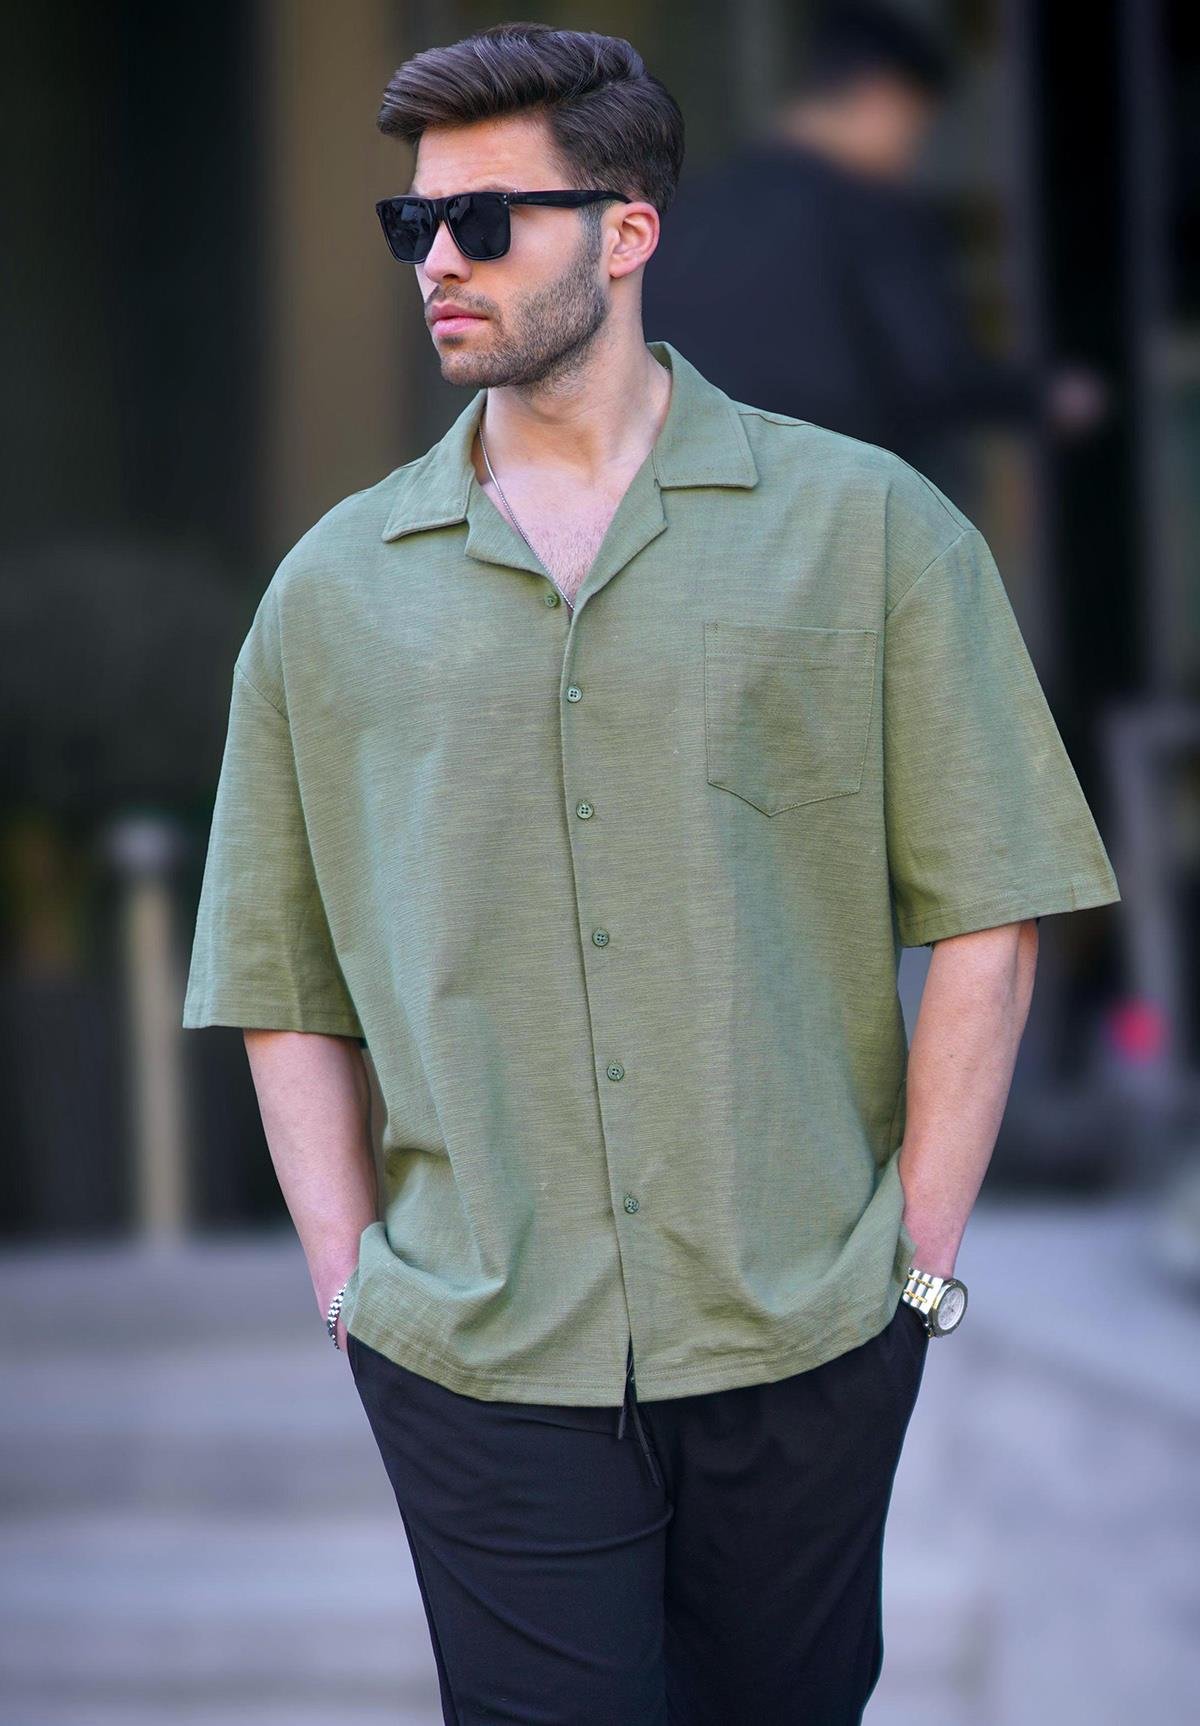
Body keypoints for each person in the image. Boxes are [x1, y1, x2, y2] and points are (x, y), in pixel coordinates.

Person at [182, 21, 1121, 1724]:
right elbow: (277, 971)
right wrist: (351, 1290)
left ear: (627, 232)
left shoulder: (873, 530)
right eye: (412, 226)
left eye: (484, 222)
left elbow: (994, 908)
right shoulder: (331, 593)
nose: (437, 263)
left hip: (804, 1330)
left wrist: (910, 1271)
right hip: (474, 1350)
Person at [642, 0, 1106, 505]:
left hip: (698, 498)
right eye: (916, 127)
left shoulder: (689, 207)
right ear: (881, 99)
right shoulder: (870, 211)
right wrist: (1044, 397)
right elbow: (931, 372)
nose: (913, 152)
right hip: (835, 505)